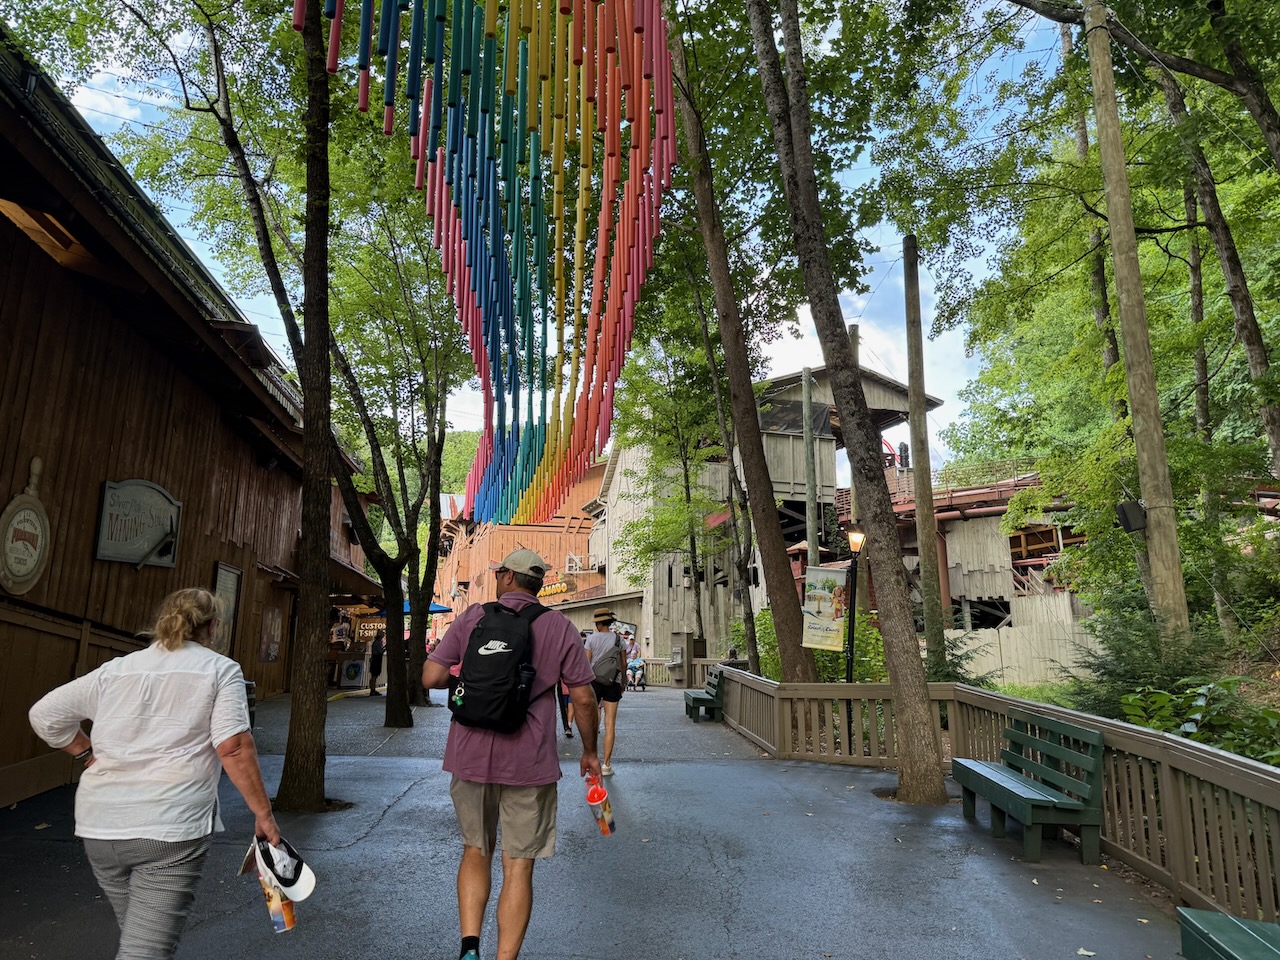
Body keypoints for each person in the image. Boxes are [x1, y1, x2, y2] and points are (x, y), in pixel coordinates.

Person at [28, 587, 281, 960]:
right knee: (144, 950)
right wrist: (264, 815)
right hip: (168, 828)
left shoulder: (116, 670)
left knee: (141, 940)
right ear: (212, 626)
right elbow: (233, 747)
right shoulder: (219, 669)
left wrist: (85, 751)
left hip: (100, 826)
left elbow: (44, 714)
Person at [422, 548, 599, 960]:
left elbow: (431, 676)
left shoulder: (473, 617)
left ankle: (469, 949)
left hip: (469, 752)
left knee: (475, 849)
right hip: (529, 762)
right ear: (539, 583)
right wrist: (589, 751)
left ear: (505, 577)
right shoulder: (559, 627)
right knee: (518, 864)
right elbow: (583, 698)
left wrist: (469, 680)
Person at [584, 607, 625, 776]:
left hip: (594, 682)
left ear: (598, 623)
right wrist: (623, 681)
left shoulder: (591, 639)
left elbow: (587, 664)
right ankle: (606, 765)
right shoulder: (618, 639)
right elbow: (623, 663)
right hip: (613, 682)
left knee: (592, 722)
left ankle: (592, 759)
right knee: (610, 724)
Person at [368, 628, 385, 696]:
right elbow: (380, 652)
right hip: (376, 659)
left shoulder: (376, 642)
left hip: (375, 659)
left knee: (374, 675)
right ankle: (372, 690)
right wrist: (385, 648)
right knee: (374, 675)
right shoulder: (378, 642)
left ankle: (372, 689)